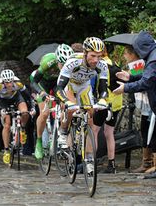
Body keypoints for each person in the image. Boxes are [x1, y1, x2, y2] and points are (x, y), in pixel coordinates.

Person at [56, 37, 109, 172]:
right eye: (92, 56)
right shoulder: (73, 62)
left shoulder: (102, 65)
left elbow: (103, 89)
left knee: (90, 120)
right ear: (85, 53)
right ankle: (63, 132)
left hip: (84, 86)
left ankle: (90, 158)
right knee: (71, 109)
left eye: (99, 56)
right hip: (69, 85)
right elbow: (59, 88)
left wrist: (102, 101)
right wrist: (67, 102)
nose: (96, 60)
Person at [113, 30, 156, 179]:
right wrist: (130, 77)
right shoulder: (152, 56)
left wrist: (126, 87)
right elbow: (146, 77)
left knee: (152, 133)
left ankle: (151, 166)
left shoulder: (153, 60)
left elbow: (146, 81)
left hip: (150, 105)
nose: (125, 56)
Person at [30, 45, 74, 159]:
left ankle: (60, 133)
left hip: (57, 84)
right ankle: (39, 142)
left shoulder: (73, 64)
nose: (64, 67)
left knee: (66, 105)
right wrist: (41, 93)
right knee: (44, 113)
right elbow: (34, 81)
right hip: (42, 83)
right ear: (57, 60)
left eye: (66, 64)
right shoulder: (48, 61)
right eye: (62, 64)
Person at [91, 46, 123, 174]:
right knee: (109, 133)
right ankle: (112, 164)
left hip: (104, 102)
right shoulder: (114, 63)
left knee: (94, 131)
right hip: (116, 104)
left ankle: (91, 163)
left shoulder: (99, 65)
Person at [122, 45, 154, 173]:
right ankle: (148, 161)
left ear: (133, 54)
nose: (124, 56)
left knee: (148, 132)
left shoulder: (139, 65)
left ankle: (148, 162)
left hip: (149, 104)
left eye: (125, 53)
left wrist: (129, 78)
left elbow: (142, 82)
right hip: (147, 104)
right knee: (146, 131)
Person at [0, 69, 35, 164]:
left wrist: (32, 107)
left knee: (25, 113)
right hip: (4, 102)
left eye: (10, 81)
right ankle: (6, 150)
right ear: (3, 81)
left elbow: (28, 96)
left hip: (16, 98)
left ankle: (23, 129)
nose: (9, 84)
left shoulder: (18, 83)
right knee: (7, 124)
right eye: (7, 82)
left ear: (13, 80)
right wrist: (1, 109)